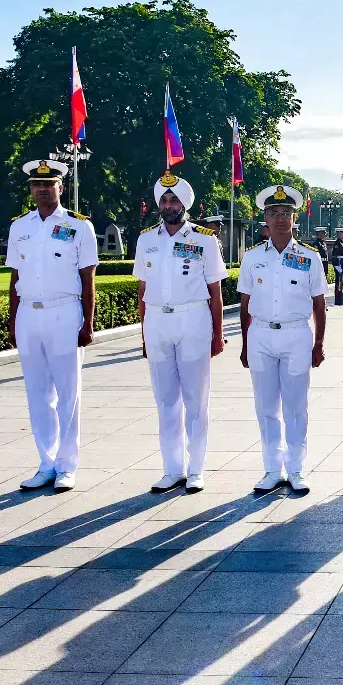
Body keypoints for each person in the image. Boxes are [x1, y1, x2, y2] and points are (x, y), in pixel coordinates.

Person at [6, 160, 98, 492]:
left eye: (50, 184)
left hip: (64, 314)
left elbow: (88, 280)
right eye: (37, 185)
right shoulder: (20, 227)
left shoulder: (79, 226)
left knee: (68, 393)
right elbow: (15, 276)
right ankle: (46, 463)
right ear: (31, 190)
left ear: (60, 187)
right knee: (37, 394)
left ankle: (67, 466)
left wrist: (88, 323)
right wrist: (12, 320)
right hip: (29, 314)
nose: (43, 189)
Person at [135, 172, 228, 494]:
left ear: (185, 204)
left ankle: (196, 468)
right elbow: (142, 288)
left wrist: (217, 334)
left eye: (174, 200)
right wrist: (144, 333)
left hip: (193, 320)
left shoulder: (204, 239)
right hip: (158, 320)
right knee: (165, 400)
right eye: (164, 199)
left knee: (195, 399)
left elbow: (214, 290)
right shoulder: (146, 238)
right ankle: (171, 469)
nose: (168, 204)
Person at [237, 185, 327, 495]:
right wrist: (245, 344)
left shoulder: (309, 257)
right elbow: (245, 304)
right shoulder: (251, 258)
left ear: (294, 218)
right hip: (261, 334)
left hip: (296, 335)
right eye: (273, 214)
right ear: (265, 218)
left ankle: (297, 468)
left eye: (285, 214)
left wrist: (319, 343)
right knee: (266, 406)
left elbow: (319, 304)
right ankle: (272, 469)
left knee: (296, 406)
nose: (279, 219)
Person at [330, 228, 343, 306]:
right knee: (338, 283)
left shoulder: (342, 243)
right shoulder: (337, 243)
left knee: (341, 283)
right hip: (339, 265)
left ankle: (341, 298)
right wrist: (336, 266)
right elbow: (334, 256)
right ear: (339, 234)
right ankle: (338, 300)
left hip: (342, 265)